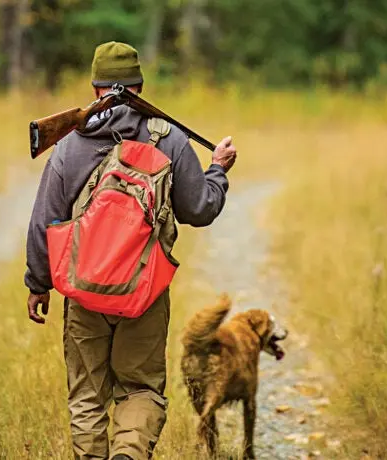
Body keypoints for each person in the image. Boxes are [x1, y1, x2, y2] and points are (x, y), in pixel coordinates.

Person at [23, 41, 237, 460]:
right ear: (139, 85)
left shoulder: (70, 142)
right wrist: (218, 170)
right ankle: (129, 454)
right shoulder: (168, 138)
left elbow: (43, 220)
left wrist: (38, 283)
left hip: (83, 289)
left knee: (87, 394)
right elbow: (200, 209)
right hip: (144, 291)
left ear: (94, 86)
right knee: (140, 388)